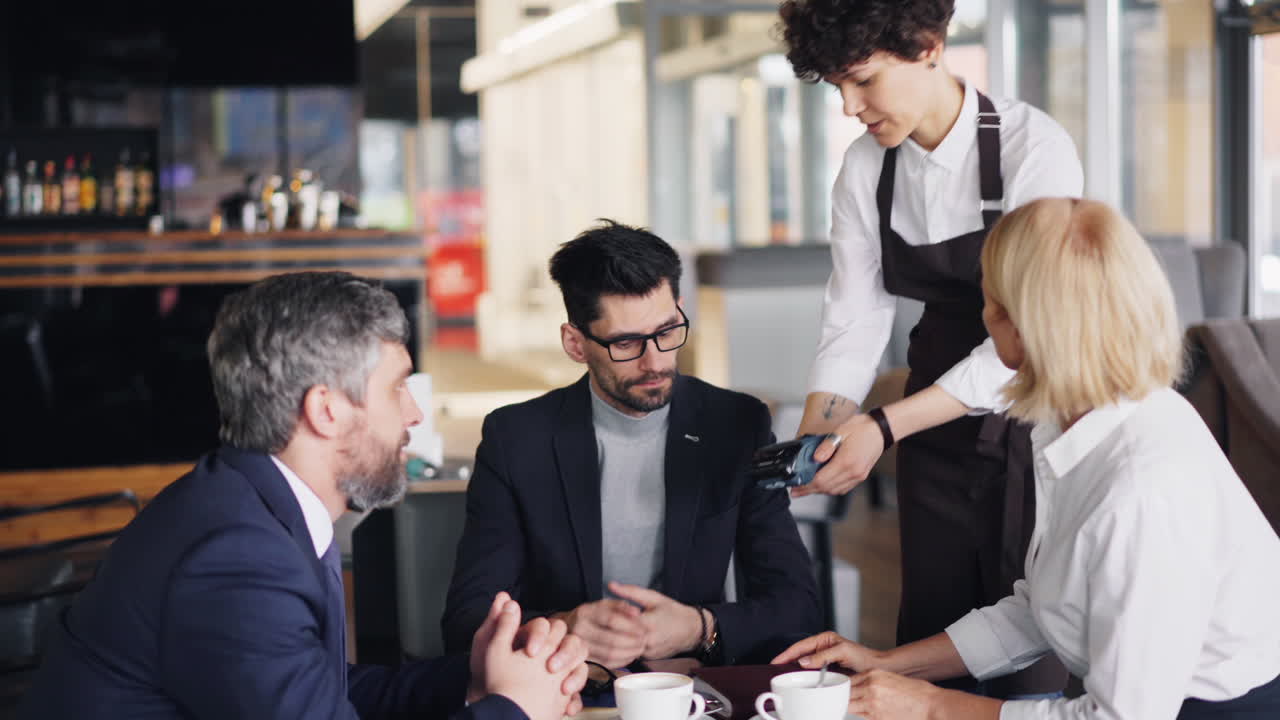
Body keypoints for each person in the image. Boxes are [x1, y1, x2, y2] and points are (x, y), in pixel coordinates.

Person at [774, 197, 1280, 719]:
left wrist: (930, 707)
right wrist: (888, 664)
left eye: (990, 298)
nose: (983, 314)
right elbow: (1043, 607)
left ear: (1020, 327)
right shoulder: (1072, 421)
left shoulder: (1142, 489)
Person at [19, 272, 588, 720]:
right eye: (397, 387)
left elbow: (326, 691)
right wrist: (513, 710)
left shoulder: (251, 505)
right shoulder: (237, 558)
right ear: (326, 410)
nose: (414, 414)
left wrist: (479, 676)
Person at [776, 0, 1084, 696]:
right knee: (930, 636)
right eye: (837, 86)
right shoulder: (866, 168)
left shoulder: (1033, 149)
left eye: (864, 80)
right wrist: (820, 437)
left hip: (1036, 425)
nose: (849, 107)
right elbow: (855, 317)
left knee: (1033, 641)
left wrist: (883, 427)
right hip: (934, 434)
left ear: (929, 46)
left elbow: (1027, 340)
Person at [442, 220, 821, 670]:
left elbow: (798, 606)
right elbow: (466, 621)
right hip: (566, 683)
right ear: (575, 344)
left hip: (689, 684)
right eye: (626, 343)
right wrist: (564, 626)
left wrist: (700, 628)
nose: (655, 361)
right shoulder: (516, 438)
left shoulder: (736, 425)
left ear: (680, 311)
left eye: (666, 331)